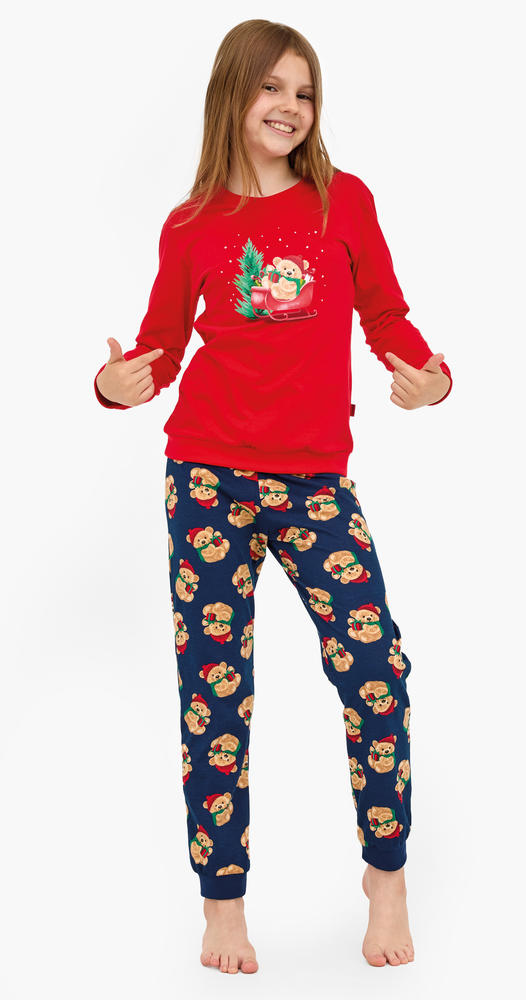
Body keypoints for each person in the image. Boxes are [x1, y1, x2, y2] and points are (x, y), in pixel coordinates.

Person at [93, 19, 452, 975]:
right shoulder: (192, 223)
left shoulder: (344, 202)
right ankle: (223, 904)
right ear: (233, 95)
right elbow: (159, 345)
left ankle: (385, 877)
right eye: (271, 88)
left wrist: (430, 377)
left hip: (314, 482)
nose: (289, 106)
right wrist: (117, 384)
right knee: (215, 691)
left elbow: (385, 314)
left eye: (304, 92)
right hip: (207, 478)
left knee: (374, 670)